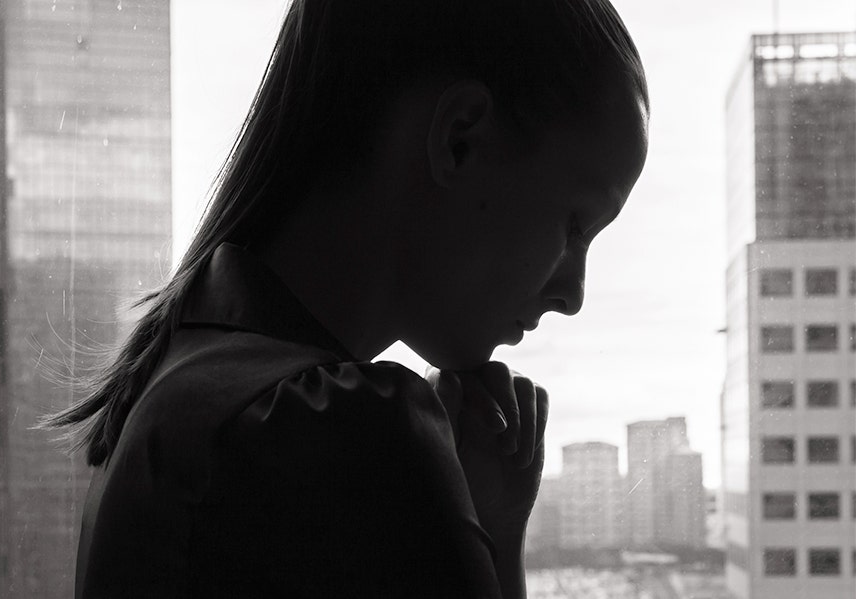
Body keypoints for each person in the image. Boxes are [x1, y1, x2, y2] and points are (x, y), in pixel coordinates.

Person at [47, 0, 648, 596]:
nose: (573, 295)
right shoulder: (337, 429)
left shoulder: (169, 382)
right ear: (459, 138)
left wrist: (486, 529)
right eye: (575, 225)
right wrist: (486, 545)